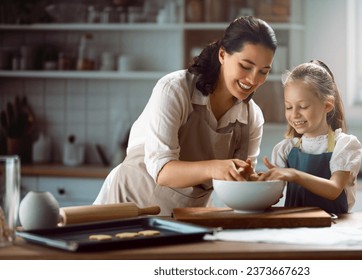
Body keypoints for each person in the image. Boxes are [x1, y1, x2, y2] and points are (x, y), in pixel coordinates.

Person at [94, 16, 277, 215]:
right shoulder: (174, 89)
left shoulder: (252, 117)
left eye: (263, 71)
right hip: (130, 206)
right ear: (223, 55)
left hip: (188, 218)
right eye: (246, 66)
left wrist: (264, 187)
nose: (253, 79)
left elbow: (240, 181)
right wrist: (214, 168)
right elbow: (162, 171)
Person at [259, 60, 362, 214]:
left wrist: (294, 175)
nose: (294, 114)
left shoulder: (345, 145)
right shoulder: (285, 149)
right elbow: (272, 197)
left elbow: (333, 189)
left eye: (303, 106)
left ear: (327, 105)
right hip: (295, 228)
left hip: (333, 228)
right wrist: (261, 183)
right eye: (289, 107)